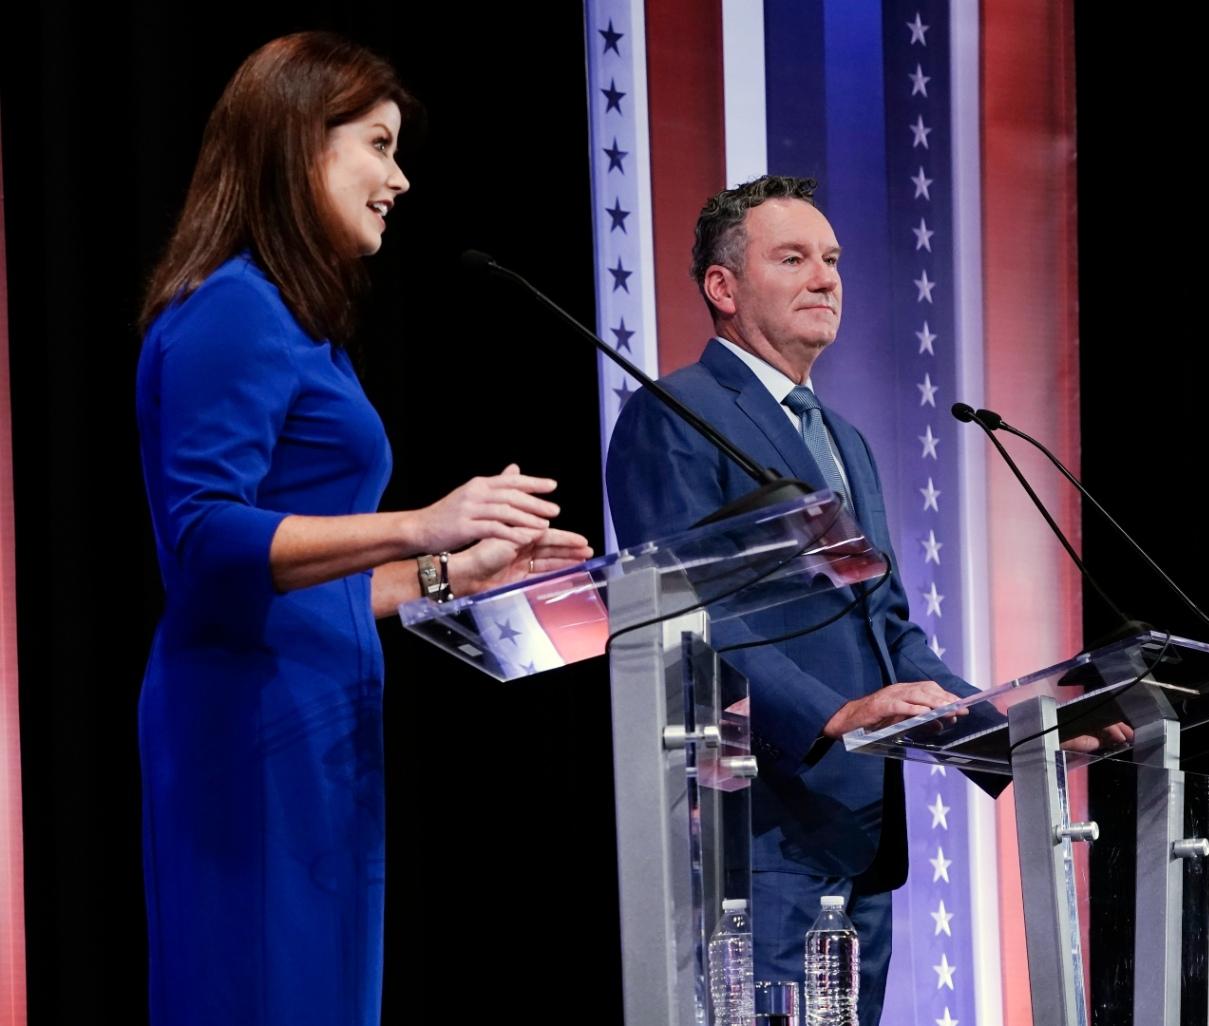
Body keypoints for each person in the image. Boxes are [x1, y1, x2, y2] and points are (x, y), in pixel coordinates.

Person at [134, 33, 591, 1026]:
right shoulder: (233, 311)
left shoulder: (303, 329)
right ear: (301, 143)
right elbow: (207, 545)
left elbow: (295, 576)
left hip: (317, 721)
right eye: (378, 145)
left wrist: (446, 574)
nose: (400, 178)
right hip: (251, 726)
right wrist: (417, 524)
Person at [605, 175, 976, 1026]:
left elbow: (883, 624)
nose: (826, 277)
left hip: (859, 835)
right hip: (757, 829)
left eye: (834, 259)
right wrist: (833, 711)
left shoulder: (842, 438)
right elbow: (689, 608)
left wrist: (1005, 725)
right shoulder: (677, 412)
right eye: (794, 257)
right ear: (723, 288)